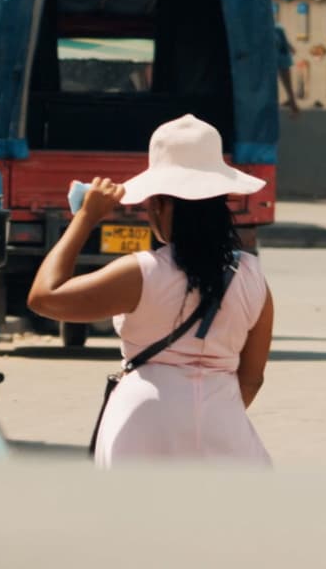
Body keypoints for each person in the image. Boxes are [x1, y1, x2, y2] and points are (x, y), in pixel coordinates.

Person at [27, 116, 274, 466]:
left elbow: (44, 297)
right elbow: (252, 377)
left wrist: (85, 217)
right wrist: (202, 417)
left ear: (159, 204)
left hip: (141, 427)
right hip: (224, 428)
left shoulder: (142, 272)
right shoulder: (252, 275)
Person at [275, 26, 300, 117]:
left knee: (288, 86)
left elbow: (285, 44)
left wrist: (291, 49)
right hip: (275, 61)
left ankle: (294, 107)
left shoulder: (278, 29)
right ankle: (293, 106)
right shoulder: (275, 29)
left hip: (282, 59)